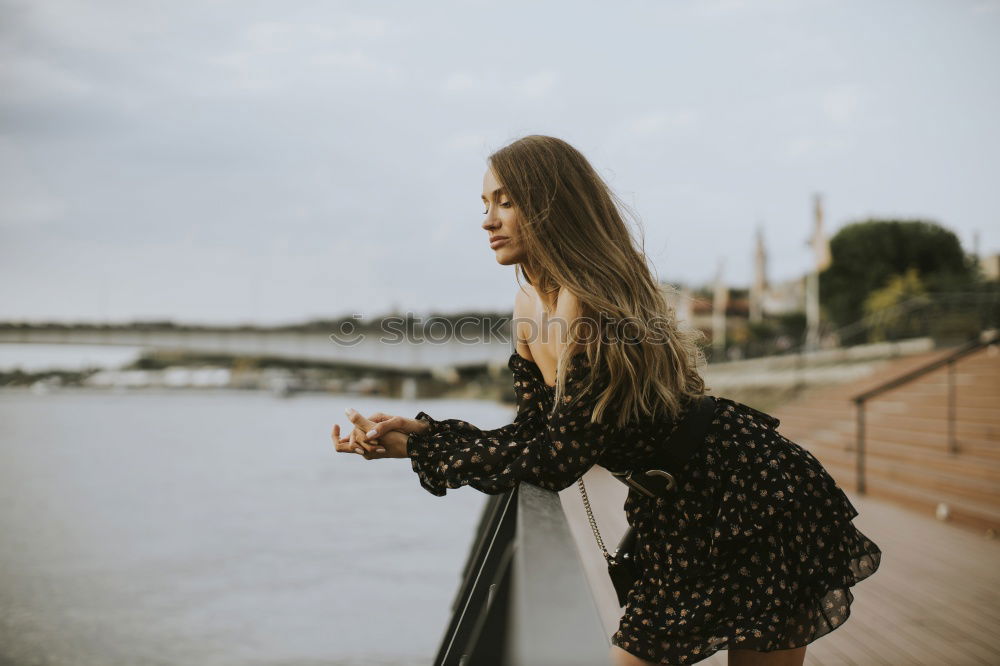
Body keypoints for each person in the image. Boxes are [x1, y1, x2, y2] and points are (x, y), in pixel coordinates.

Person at [331, 135, 882, 665]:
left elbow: (557, 460)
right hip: (676, 512)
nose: (487, 220)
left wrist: (430, 453)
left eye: (507, 201)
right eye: (484, 203)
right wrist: (424, 436)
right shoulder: (527, 307)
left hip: (749, 490)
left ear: (551, 206)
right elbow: (533, 434)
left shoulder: (587, 305)